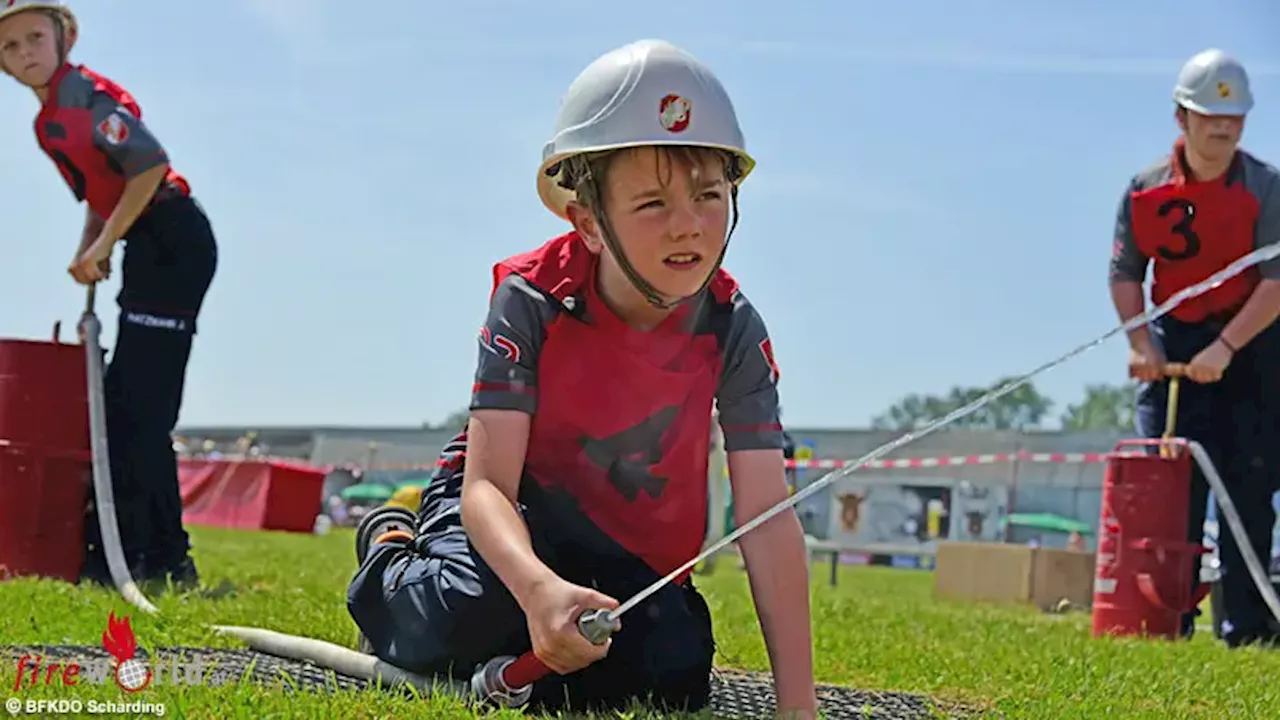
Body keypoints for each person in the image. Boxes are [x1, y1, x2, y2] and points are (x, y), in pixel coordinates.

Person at [347, 39, 817, 715]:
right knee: (461, 617)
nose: (689, 226)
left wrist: (797, 704)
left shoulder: (733, 329)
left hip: (621, 543)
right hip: (511, 511)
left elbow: (768, 520)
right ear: (588, 222)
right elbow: (487, 486)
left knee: (672, 667)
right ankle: (389, 545)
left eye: (710, 195)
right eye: (653, 204)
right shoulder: (533, 300)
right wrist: (539, 590)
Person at [0, 1, 218, 589]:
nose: (25, 54)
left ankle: (169, 561)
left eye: (33, 38)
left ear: (63, 38)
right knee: (122, 408)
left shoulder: (85, 97)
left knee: (143, 412)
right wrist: (88, 252)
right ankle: (120, 554)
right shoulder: (47, 124)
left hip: (172, 239)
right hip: (141, 243)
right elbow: (103, 193)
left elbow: (148, 167)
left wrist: (106, 245)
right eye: (9, 47)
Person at [1109, 48, 1280, 647]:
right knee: (1167, 491)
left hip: (1252, 344)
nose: (1222, 129)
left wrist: (1227, 348)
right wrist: (1141, 342)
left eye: (1233, 120)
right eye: (1209, 117)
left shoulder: (1267, 188)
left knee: (1249, 487)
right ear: (1182, 117)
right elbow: (1126, 272)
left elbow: (1276, 285)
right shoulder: (1143, 190)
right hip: (1173, 341)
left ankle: (1248, 630)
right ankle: (1159, 622)